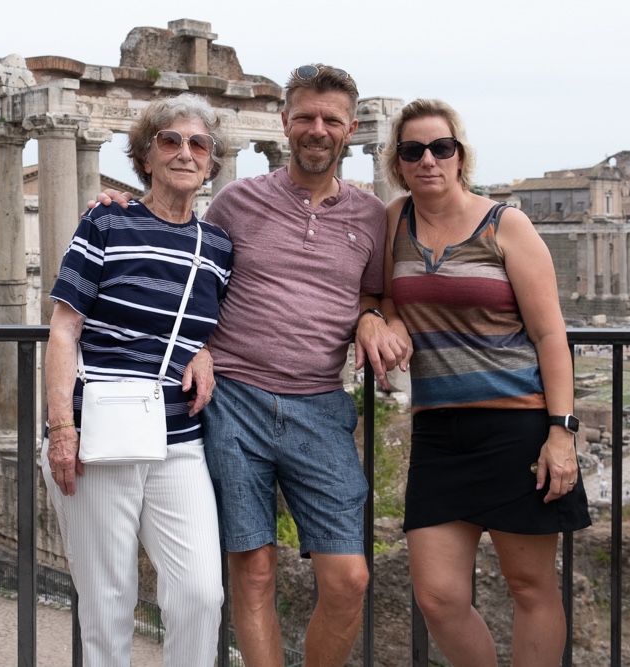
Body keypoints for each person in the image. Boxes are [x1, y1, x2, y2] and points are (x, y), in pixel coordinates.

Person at [92, 64, 407, 666]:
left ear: (351, 129)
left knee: (349, 579)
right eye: (305, 116)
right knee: (253, 570)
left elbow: (375, 291)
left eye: (331, 119)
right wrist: (122, 207)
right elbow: (184, 252)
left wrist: (371, 315)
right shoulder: (237, 200)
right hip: (235, 401)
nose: (317, 129)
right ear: (284, 122)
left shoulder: (371, 215)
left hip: (320, 405)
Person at [378, 97, 591, 666]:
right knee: (438, 597)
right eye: (413, 150)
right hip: (438, 432)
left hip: (517, 427)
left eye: (440, 147)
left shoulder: (506, 224)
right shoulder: (393, 220)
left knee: (529, 587)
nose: (428, 160)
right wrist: (384, 318)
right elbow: (377, 293)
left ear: (460, 155)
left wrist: (561, 432)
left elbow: (549, 334)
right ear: (397, 162)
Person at [42, 92, 233, 667]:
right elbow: (63, 330)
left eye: (198, 144)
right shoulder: (106, 220)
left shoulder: (219, 247)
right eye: (170, 140)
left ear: (212, 162)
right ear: (146, 156)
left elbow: (218, 322)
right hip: (98, 436)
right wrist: (61, 430)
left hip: (179, 439)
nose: (185, 152)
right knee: (107, 602)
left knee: (201, 594)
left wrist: (206, 350)